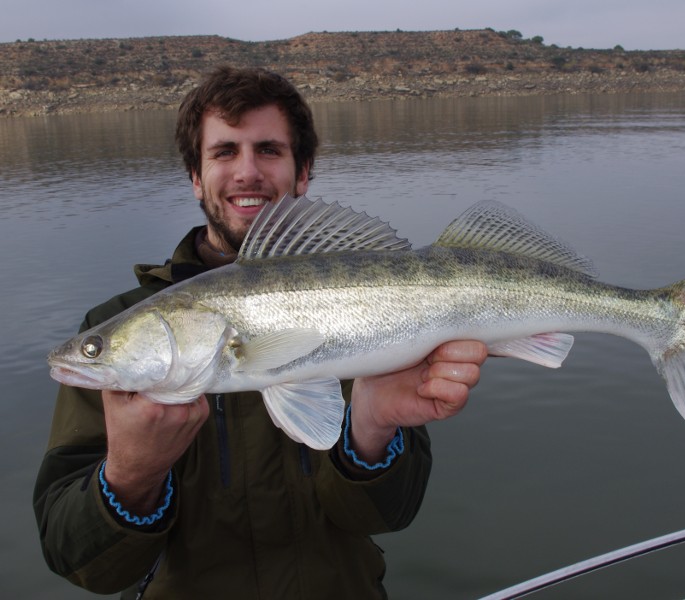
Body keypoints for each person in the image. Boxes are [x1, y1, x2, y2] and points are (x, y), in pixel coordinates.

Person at [33, 66, 488, 599]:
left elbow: (389, 515)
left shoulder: (376, 305)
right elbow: (78, 563)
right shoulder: (113, 329)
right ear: (196, 177)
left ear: (303, 173)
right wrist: (130, 476)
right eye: (225, 152)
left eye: (269, 150)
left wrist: (371, 429)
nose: (247, 171)